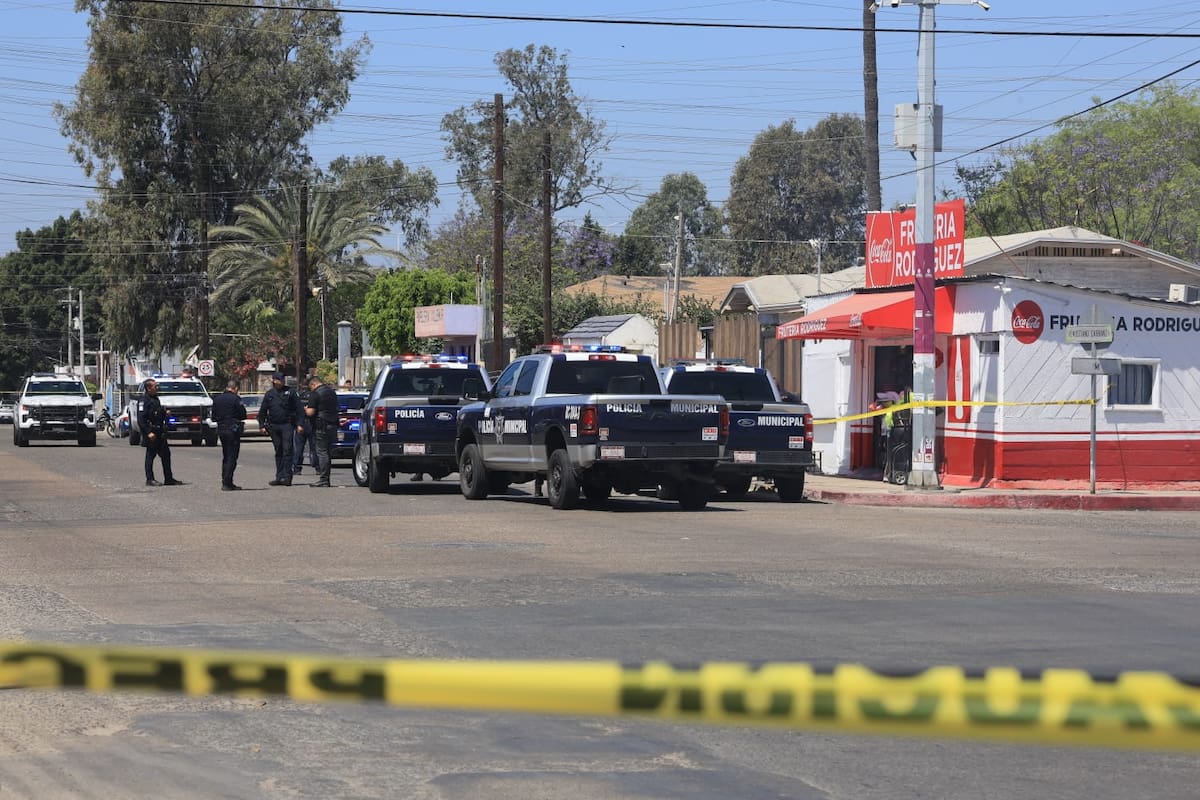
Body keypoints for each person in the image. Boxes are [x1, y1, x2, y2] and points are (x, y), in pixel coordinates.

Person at [138, 378, 182, 487]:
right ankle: (150, 479)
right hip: (151, 432)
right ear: (149, 388)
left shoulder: (155, 399)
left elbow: (156, 414)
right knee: (150, 456)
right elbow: (141, 419)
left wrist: (164, 412)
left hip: (159, 431)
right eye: (155, 386)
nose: (157, 388)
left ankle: (169, 478)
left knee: (166, 455)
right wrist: (148, 432)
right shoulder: (144, 400)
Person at [261, 373, 302, 486]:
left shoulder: (291, 392)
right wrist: (261, 425)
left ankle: (287, 477)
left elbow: (299, 409)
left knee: (288, 450)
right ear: (274, 381)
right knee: (278, 451)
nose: (281, 382)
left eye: (282, 380)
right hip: (274, 426)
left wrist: (300, 424)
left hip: (287, 425)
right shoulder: (270, 394)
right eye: (279, 380)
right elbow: (263, 410)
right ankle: (279, 476)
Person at [212, 378, 247, 491]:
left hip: (221, 429)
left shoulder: (217, 399)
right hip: (232, 430)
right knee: (232, 457)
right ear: (235, 388)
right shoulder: (235, 399)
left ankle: (225, 480)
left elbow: (213, 417)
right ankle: (227, 482)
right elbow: (243, 414)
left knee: (226, 456)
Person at [305, 374, 339, 487]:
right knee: (328, 452)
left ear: (313, 384)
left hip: (321, 426)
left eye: (310, 387)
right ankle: (326, 478)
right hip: (333, 425)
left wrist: (304, 409)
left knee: (322, 452)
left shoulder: (315, 393)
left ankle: (324, 479)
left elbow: (311, 412)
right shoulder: (332, 392)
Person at [292, 381, 317, 475]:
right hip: (312, 423)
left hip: (301, 424)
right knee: (314, 448)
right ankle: (318, 468)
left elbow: (295, 411)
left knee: (299, 448)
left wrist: (297, 423)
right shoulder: (314, 395)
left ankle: (297, 468)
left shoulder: (298, 396)